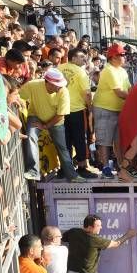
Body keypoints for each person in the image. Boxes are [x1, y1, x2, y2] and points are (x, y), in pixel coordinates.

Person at [19, 68, 85, 183]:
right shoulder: (33, 85)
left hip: (56, 120)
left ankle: (72, 175)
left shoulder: (63, 91)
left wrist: (45, 126)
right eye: (56, 84)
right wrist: (15, 100)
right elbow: (18, 94)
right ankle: (33, 171)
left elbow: (60, 115)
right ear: (47, 82)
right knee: (31, 137)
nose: (59, 87)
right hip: (35, 116)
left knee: (62, 147)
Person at [93, 44, 131, 178]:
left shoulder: (122, 71)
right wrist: (136, 97)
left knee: (118, 140)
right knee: (105, 140)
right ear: (113, 57)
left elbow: (129, 90)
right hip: (104, 109)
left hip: (118, 110)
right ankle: (105, 168)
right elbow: (120, 93)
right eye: (122, 55)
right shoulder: (108, 70)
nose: (125, 57)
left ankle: (121, 167)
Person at [58, 47, 95, 178]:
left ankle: (65, 169)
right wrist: (90, 108)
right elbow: (87, 93)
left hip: (60, 111)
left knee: (65, 140)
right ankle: (82, 167)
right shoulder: (80, 72)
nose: (84, 59)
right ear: (73, 58)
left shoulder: (58, 68)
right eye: (81, 56)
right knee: (80, 139)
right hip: (77, 110)